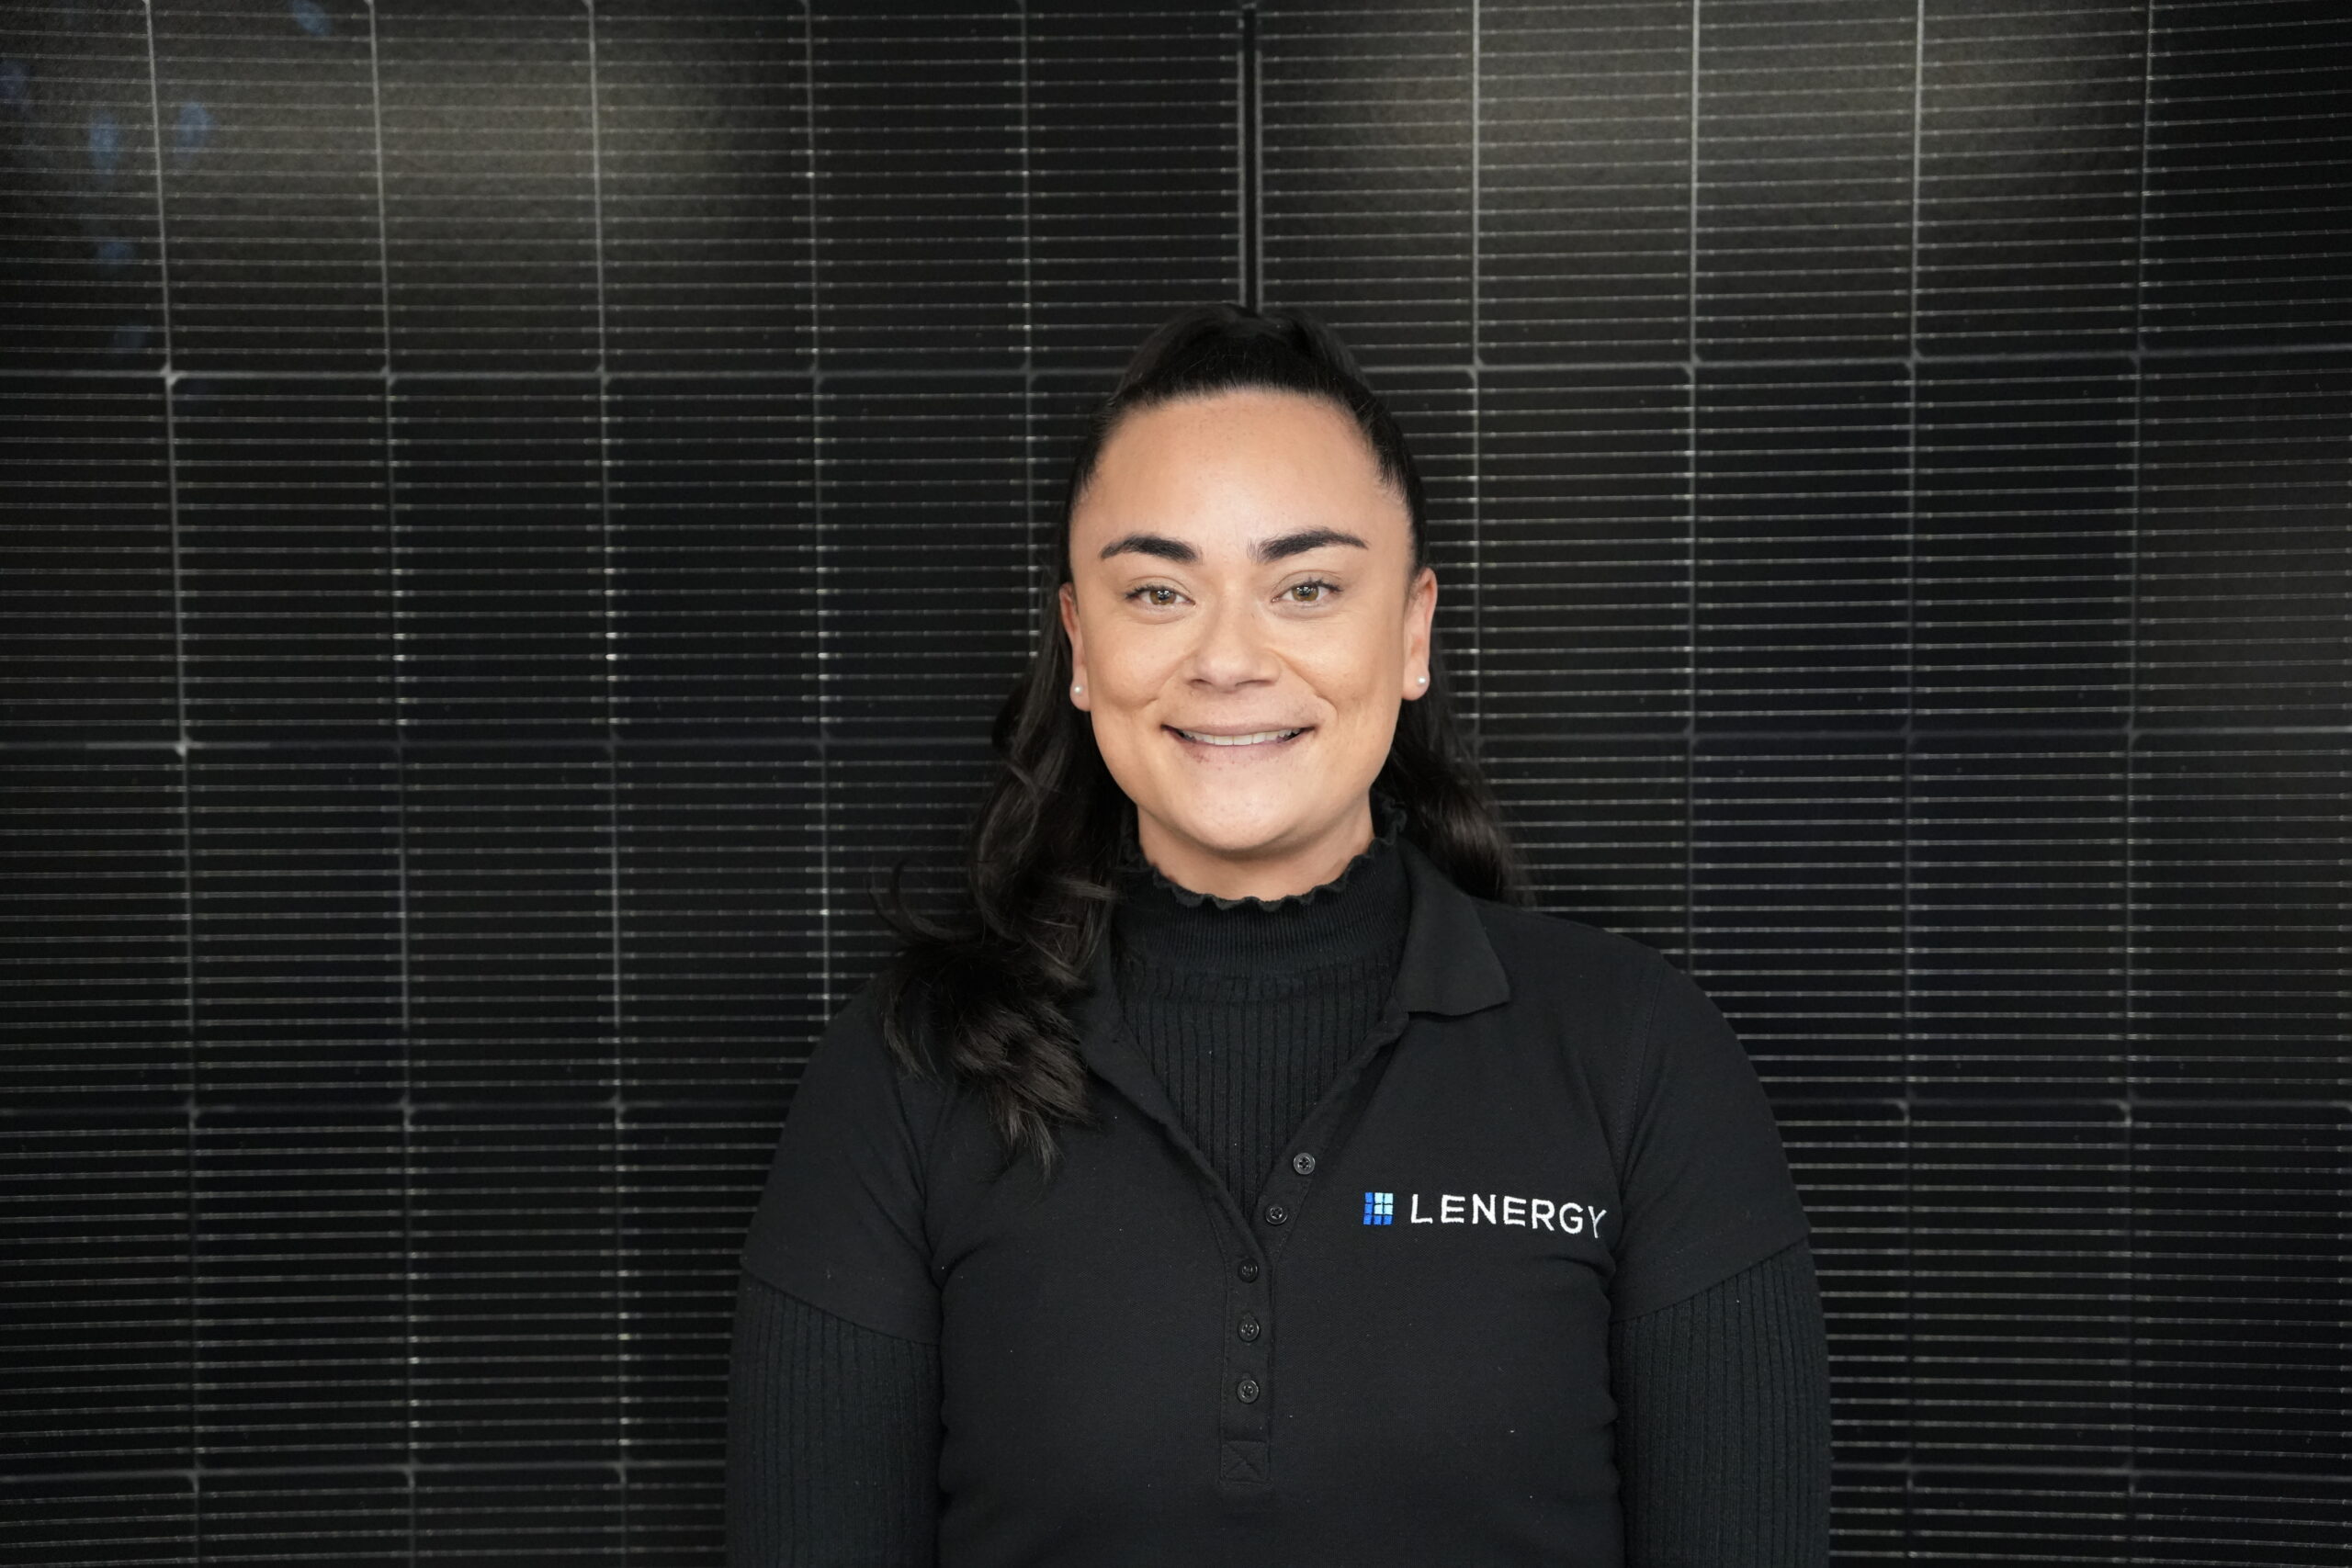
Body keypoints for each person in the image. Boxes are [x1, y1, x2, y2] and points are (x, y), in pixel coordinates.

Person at [728, 303, 1832, 1566]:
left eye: (1306, 587)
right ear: (1081, 647)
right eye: (1158, 590)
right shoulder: (906, 1069)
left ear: (1411, 631)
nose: (1229, 658)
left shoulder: (1636, 1052)